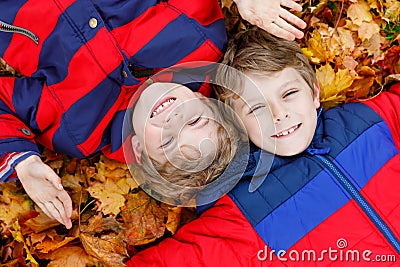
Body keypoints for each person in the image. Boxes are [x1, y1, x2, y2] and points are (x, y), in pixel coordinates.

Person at [0, 0, 307, 229]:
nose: (174, 118)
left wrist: (24, 163)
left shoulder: (79, 129)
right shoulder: (198, 41)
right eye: (195, 119)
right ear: (212, 105)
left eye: (167, 141)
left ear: (138, 150)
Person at [126, 28, 400, 266]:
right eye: (256, 108)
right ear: (237, 126)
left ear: (314, 92)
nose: (278, 114)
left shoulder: (369, 119)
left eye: (289, 93)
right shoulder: (241, 212)